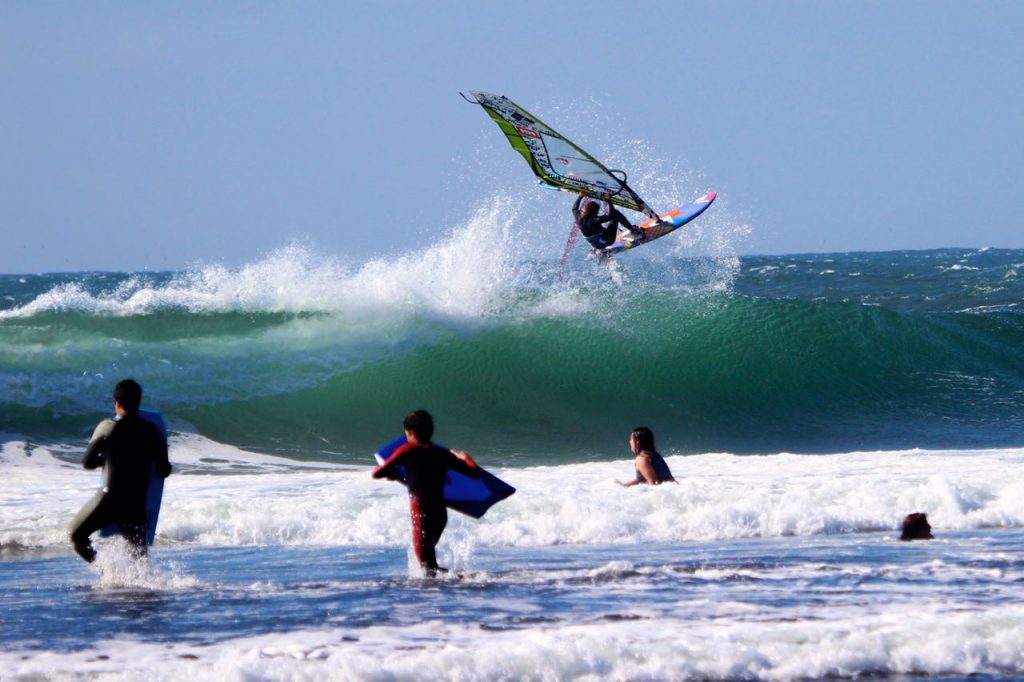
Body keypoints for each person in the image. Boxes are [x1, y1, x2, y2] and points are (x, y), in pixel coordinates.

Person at [69, 379, 171, 563]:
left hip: (108, 503)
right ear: (139, 403)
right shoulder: (152, 431)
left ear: (117, 404)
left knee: (77, 537)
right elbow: (164, 470)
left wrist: (109, 460)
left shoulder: (108, 427)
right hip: (135, 506)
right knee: (140, 560)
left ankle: (105, 571)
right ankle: (142, 589)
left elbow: (88, 463)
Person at [373, 410, 481, 576]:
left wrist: (392, 473)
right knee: (428, 564)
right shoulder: (443, 455)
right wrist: (465, 457)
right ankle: (455, 581)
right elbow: (475, 473)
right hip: (439, 512)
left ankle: (464, 579)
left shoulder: (406, 450)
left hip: (421, 510)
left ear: (411, 432)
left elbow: (377, 473)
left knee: (428, 568)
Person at [572, 192, 644, 249]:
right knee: (615, 213)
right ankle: (634, 231)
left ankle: (598, 248)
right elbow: (611, 215)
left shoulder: (578, 217)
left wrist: (580, 196)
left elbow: (574, 209)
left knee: (597, 231)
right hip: (608, 241)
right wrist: (608, 200)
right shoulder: (595, 220)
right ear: (595, 212)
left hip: (596, 245)